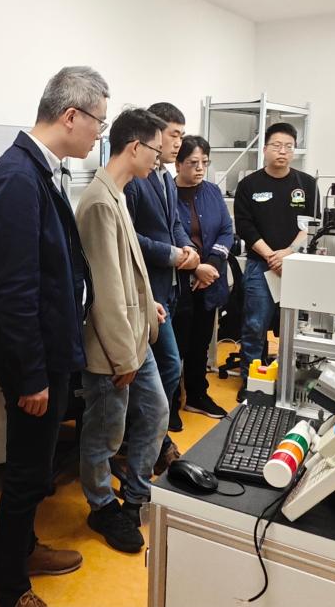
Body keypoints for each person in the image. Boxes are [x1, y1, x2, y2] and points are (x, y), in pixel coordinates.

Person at [0, 66, 104, 607]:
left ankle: (25, 549)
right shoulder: (17, 177)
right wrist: (32, 374)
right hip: (33, 360)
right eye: (99, 121)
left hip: (49, 350)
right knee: (27, 472)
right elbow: (14, 289)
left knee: (37, 468)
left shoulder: (41, 171)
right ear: (71, 116)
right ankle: (10, 589)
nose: (100, 132)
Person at [76, 107, 170, 554]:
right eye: (156, 150)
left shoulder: (117, 194)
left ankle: (135, 495)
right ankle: (101, 505)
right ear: (135, 147)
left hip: (135, 335)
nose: (159, 159)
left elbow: (126, 272)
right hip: (114, 347)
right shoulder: (98, 202)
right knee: (104, 432)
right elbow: (105, 291)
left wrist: (147, 304)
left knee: (155, 412)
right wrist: (123, 358)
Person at [123, 102, 198, 472]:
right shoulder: (134, 181)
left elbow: (174, 225)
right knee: (166, 366)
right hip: (145, 292)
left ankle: (150, 438)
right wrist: (171, 254)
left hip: (167, 290)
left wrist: (188, 249)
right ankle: (146, 441)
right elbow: (128, 237)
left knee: (165, 368)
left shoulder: (166, 178)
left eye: (182, 135)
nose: (178, 143)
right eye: (173, 135)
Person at [233, 121, 317, 399]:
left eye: (288, 147)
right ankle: (252, 382)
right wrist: (271, 255)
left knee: (295, 328)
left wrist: (288, 252)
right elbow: (245, 227)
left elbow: (312, 226)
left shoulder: (307, 184)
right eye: (277, 146)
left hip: (297, 265)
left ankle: (290, 380)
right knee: (255, 326)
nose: (283, 151)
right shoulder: (249, 185)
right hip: (261, 264)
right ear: (265, 148)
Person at [172, 136, 233, 420]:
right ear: (178, 164)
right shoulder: (167, 192)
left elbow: (226, 230)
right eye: (193, 163)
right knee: (176, 347)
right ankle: (171, 403)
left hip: (209, 281)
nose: (200, 169)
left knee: (200, 344)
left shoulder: (212, 192)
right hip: (179, 283)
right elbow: (169, 234)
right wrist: (195, 268)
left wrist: (210, 265)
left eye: (204, 163)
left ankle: (197, 396)